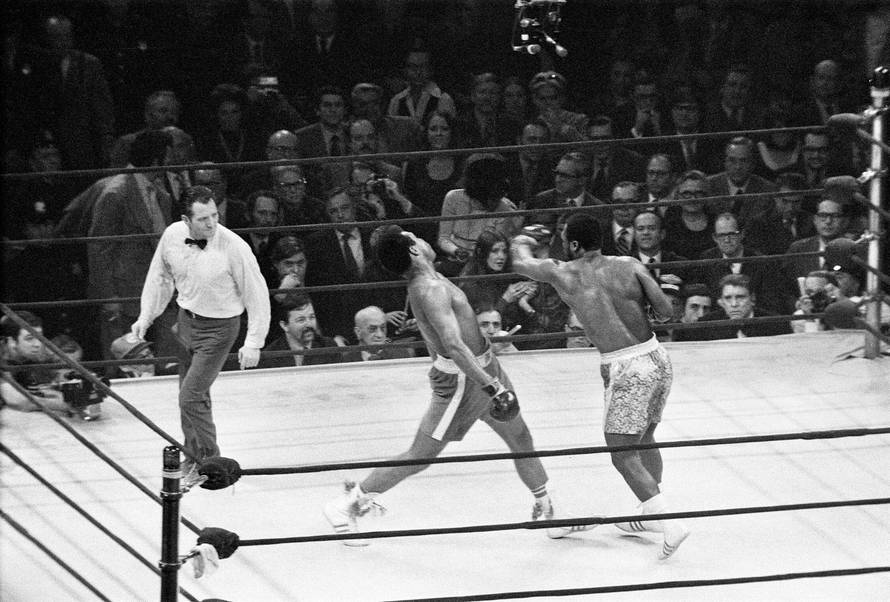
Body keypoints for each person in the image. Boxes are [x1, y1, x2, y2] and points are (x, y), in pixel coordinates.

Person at [324, 225, 578, 545]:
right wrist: (493, 387)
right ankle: (347, 504)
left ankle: (548, 511)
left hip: (484, 367)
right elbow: (455, 346)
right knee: (421, 455)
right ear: (414, 251)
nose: (423, 239)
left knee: (520, 435)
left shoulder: (431, 275)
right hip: (462, 381)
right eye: (416, 237)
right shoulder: (429, 288)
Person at [511, 215, 690, 559]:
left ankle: (670, 522)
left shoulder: (562, 272)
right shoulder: (631, 264)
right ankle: (650, 511)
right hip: (657, 357)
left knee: (621, 452)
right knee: (645, 437)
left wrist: (525, 236)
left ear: (575, 244)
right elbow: (667, 312)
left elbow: (519, 261)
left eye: (566, 240)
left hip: (626, 367)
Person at [131, 185, 270, 488]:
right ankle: (192, 457)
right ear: (186, 219)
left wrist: (254, 341)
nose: (211, 224)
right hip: (186, 322)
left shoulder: (234, 246)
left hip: (220, 329)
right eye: (203, 218)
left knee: (190, 397)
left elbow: (256, 293)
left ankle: (211, 463)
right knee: (191, 395)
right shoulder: (171, 235)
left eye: (215, 215)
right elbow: (160, 278)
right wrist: (146, 316)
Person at [259, 294, 341, 368]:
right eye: (301, 320)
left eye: (312, 317)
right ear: (284, 326)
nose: (309, 324)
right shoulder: (270, 355)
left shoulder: (328, 347)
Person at [342, 305, 415, 362]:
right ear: (358, 332)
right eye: (372, 329)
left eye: (383, 328)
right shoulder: (345, 360)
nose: (379, 335)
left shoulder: (401, 355)